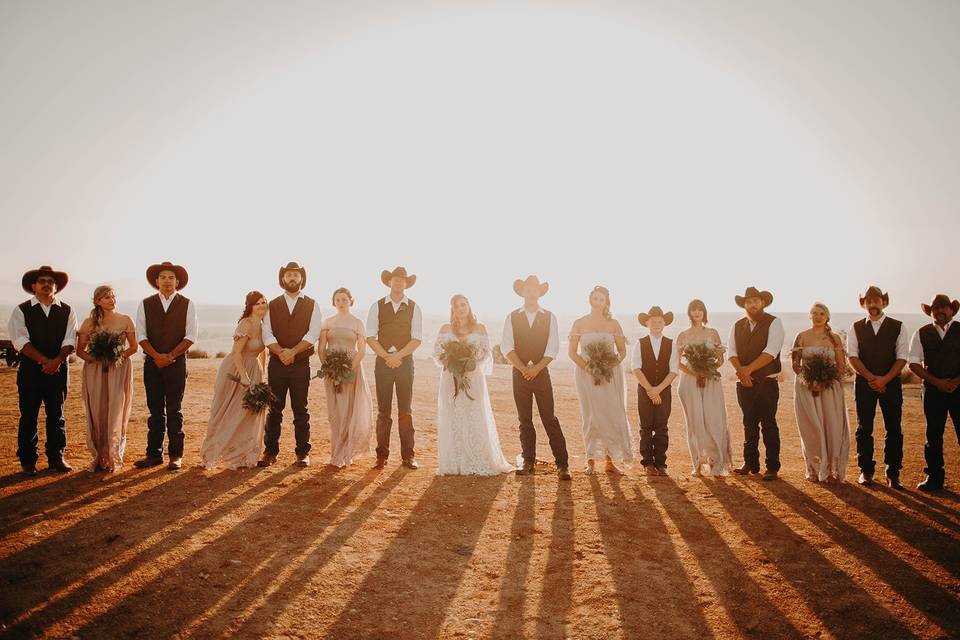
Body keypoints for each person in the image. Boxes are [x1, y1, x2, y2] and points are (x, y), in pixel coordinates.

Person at [8, 265, 78, 475]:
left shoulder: (67, 310)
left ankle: (57, 457)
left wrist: (56, 361)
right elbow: (19, 340)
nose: (47, 285)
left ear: (56, 287)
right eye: (42, 281)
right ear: (33, 286)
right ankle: (28, 461)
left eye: (50, 282)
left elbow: (70, 338)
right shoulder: (21, 310)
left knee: (57, 415)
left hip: (58, 371)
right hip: (30, 371)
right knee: (28, 415)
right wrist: (44, 361)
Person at [433, 294, 514, 475]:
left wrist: (468, 361)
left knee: (474, 414)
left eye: (463, 304)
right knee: (453, 415)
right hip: (450, 379)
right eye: (456, 306)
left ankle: (478, 458)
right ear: (452, 309)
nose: (460, 308)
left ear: (469, 306)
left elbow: (485, 353)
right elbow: (437, 352)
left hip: (473, 377)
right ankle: (455, 461)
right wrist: (452, 360)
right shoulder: (445, 328)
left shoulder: (480, 328)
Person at [502, 275, 571, 480]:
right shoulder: (512, 316)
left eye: (535, 289)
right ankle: (528, 461)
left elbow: (553, 347)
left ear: (540, 292)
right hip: (519, 373)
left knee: (549, 418)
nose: (531, 292)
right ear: (522, 292)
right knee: (525, 420)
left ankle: (562, 465)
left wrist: (536, 369)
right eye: (527, 289)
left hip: (541, 374)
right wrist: (523, 368)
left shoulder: (549, 317)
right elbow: (507, 347)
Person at [134, 261, 198, 471]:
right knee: (154, 411)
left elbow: (190, 336)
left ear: (177, 282)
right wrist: (156, 356)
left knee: (174, 409)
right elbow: (140, 335)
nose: (167, 281)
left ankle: (176, 456)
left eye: (171, 278)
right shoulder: (145, 303)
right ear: (156, 281)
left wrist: (170, 356)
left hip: (177, 364)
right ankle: (153, 455)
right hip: (152, 364)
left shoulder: (187, 304)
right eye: (163, 277)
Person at [259, 262, 322, 467]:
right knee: (274, 408)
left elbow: (313, 333)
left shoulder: (312, 304)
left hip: (301, 364)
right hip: (277, 363)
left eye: (296, 275)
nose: (292, 278)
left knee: (300, 409)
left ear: (301, 279)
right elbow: (266, 333)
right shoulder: (273, 304)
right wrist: (281, 352)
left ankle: (302, 452)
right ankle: (270, 451)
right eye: (288, 275)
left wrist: (293, 352)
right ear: (283, 279)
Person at [847, 285, 909, 488]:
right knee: (864, 428)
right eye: (868, 301)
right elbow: (852, 356)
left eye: (876, 300)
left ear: (884, 302)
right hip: (864, 384)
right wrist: (871, 378)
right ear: (863, 304)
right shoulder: (856, 327)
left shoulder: (898, 326)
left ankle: (893, 473)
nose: (873, 304)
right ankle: (866, 471)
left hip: (891, 384)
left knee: (894, 428)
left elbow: (902, 358)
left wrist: (885, 379)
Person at [200, 291, 269, 470]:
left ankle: (245, 455)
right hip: (236, 370)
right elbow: (237, 353)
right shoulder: (245, 324)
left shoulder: (264, 325)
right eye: (257, 303)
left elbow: (262, 351)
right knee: (227, 410)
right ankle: (212, 454)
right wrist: (244, 377)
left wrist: (262, 374)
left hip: (254, 369)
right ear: (250, 306)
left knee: (249, 413)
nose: (261, 306)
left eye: (264, 303)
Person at [568, 286, 633, 474]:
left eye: (602, 299)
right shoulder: (579, 323)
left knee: (610, 414)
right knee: (590, 415)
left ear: (606, 302)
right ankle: (590, 460)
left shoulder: (614, 324)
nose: (598, 302)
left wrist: (609, 365)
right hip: (586, 374)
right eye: (595, 298)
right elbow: (572, 352)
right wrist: (588, 367)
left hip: (609, 376)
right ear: (590, 300)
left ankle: (610, 461)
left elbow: (622, 351)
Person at [366, 266, 423, 470]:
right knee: (384, 410)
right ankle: (381, 456)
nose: (398, 282)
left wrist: (398, 356)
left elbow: (417, 338)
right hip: (383, 363)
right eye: (395, 279)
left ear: (406, 283)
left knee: (405, 410)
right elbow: (370, 336)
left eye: (402, 280)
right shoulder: (377, 306)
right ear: (389, 282)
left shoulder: (414, 307)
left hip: (405, 363)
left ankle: (408, 455)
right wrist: (386, 356)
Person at [76, 285, 137, 472]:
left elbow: (134, 347)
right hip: (95, 370)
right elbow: (80, 351)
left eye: (112, 296)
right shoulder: (88, 323)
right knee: (97, 409)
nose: (111, 300)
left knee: (116, 408)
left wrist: (116, 357)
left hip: (118, 369)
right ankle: (99, 455)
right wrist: (97, 359)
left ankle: (113, 454)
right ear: (97, 301)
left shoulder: (126, 320)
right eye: (106, 297)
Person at [729, 286, 785, 481]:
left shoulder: (774, 322)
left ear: (763, 303)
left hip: (766, 383)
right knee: (748, 423)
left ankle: (772, 466)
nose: (752, 304)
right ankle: (750, 463)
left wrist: (747, 370)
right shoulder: (737, 325)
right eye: (748, 301)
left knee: (768, 423)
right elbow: (732, 352)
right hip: (744, 383)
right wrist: (742, 374)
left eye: (756, 301)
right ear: (744, 305)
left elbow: (771, 351)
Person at [791, 302, 850, 483]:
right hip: (806, 388)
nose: (817, 317)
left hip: (830, 389)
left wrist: (825, 381)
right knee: (811, 426)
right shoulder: (801, 337)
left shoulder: (834, 339)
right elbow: (795, 364)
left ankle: (831, 468)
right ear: (810, 316)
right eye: (814, 313)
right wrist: (809, 381)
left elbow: (841, 367)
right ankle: (814, 468)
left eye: (821, 314)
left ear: (827, 317)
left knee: (831, 425)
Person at [909, 294, 960, 492]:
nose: (939, 311)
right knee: (933, 435)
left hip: (959, 390)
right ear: (930, 312)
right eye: (935, 308)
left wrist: (955, 381)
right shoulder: (921, 333)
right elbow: (913, 362)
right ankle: (934, 478)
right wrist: (937, 382)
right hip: (932, 390)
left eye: (943, 307)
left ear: (951, 309)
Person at [676, 299, 733, 477]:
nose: (697, 312)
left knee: (714, 419)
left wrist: (707, 370)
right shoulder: (683, 335)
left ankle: (715, 461)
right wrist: (695, 373)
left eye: (700, 309)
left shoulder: (713, 333)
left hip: (710, 381)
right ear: (689, 313)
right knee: (695, 422)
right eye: (693, 309)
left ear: (704, 312)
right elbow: (677, 363)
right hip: (689, 382)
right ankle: (698, 464)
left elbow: (720, 359)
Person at [318, 287, 373, 468]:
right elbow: (321, 349)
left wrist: (350, 370)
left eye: (344, 299)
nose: (341, 302)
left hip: (352, 371)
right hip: (331, 372)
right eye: (338, 299)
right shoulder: (327, 322)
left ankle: (345, 453)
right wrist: (329, 369)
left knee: (347, 412)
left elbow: (362, 349)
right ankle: (336, 452)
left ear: (351, 300)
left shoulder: (357, 323)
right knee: (335, 413)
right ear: (334, 302)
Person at [632, 306, 678, 476]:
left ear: (665, 323)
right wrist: (650, 390)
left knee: (661, 426)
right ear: (647, 323)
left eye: (660, 321)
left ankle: (661, 463)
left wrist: (658, 390)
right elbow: (636, 368)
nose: (657, 324)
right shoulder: (640, 342)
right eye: (653, 321)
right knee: (645, 426)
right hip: (645, 389)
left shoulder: (670, 344)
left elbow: (673, 370)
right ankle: (648, 463)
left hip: (664, 390)